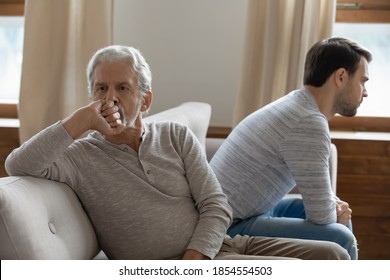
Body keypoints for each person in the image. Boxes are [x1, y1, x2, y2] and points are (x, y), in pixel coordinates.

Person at [5, 45, 349, 260]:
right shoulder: (80, 157)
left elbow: (216, 205)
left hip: (220, 248)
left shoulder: (174, 135)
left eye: (122, 87)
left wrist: (196, 257)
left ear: (146, 99)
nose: (110, 98)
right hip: (172, 265)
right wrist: (79, 120)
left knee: (334, 253)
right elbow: (17, 164)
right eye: (101, 89)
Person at [210, 37, 372, 260]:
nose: (365, 92)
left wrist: (335, 208)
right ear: (341, 77)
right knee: (340, 236)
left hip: (248, 211)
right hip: (226, 226)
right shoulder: (307, 121)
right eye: (362, 81)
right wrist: (336, 213)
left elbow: (321, 205)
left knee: (336, 213)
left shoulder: (296, 104)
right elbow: (323, 216)